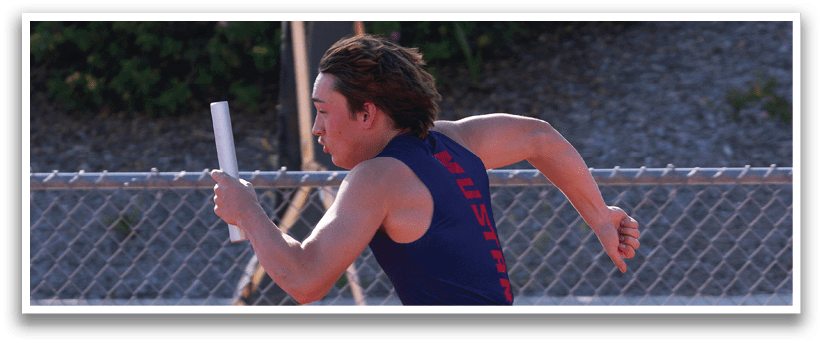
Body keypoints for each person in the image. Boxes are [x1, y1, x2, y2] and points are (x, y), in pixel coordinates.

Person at [211, 34, 640, 305]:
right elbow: (540, 138)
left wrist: (248, 211)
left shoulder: (377, 178)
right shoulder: (452, 142)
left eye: (324, 112)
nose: (316, 127)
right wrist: (600, 218)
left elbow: (305, 281)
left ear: (367, 114)